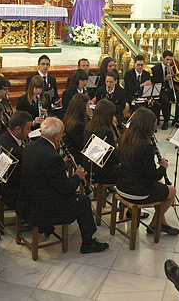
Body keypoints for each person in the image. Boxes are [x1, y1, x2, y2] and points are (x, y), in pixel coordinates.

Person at [19, 117, 109, 254]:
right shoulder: (52, 156)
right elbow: (66, 189)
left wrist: (62, 163)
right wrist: (77, 176)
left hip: (28, 200)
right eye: (62, 134)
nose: (63, 137)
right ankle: (88, 242)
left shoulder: (30, 146)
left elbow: (45, 172)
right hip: (44, 208)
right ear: (55, 136)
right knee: (83, 201)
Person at [116, 107, 179, 236]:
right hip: (137, 192)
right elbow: (152, 176)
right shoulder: (146, 146)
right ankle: (155, 224)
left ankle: (162, 223)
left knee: (161, 185)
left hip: (121, 186)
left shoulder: (123, 139)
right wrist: (163, 167)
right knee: (171, 191)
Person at [0, 111, 32, 209]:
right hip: (10, 193)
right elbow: (24, 175)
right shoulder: (11, 150)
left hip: (7, 187)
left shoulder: (6, 137)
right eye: (28, 128)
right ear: (18, 129)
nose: (30, 131)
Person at [83, 99, 120, 184]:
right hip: (101, 173)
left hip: (88, 168)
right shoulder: (107, 133)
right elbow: (113, 159)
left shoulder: (88, 126)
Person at [152, 50, 179, 129]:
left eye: (170, 60)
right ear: (163, 58)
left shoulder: (173, 68)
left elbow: (177, 84)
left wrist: (174, 75)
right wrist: (165, 79)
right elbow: (155, 83)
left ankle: (176, 119)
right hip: (161, 91)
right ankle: (165, 121)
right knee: (165, 100)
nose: (169, 61)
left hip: (171, 90)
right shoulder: (156, 69)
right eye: (167, 59)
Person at [62, 93, 91, 172]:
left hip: (73, 154)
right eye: (87, 106)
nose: (89, 108)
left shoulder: (69, 119)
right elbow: (83, 146)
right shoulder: (78, 125)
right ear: (81, 108)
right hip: (78, 158)